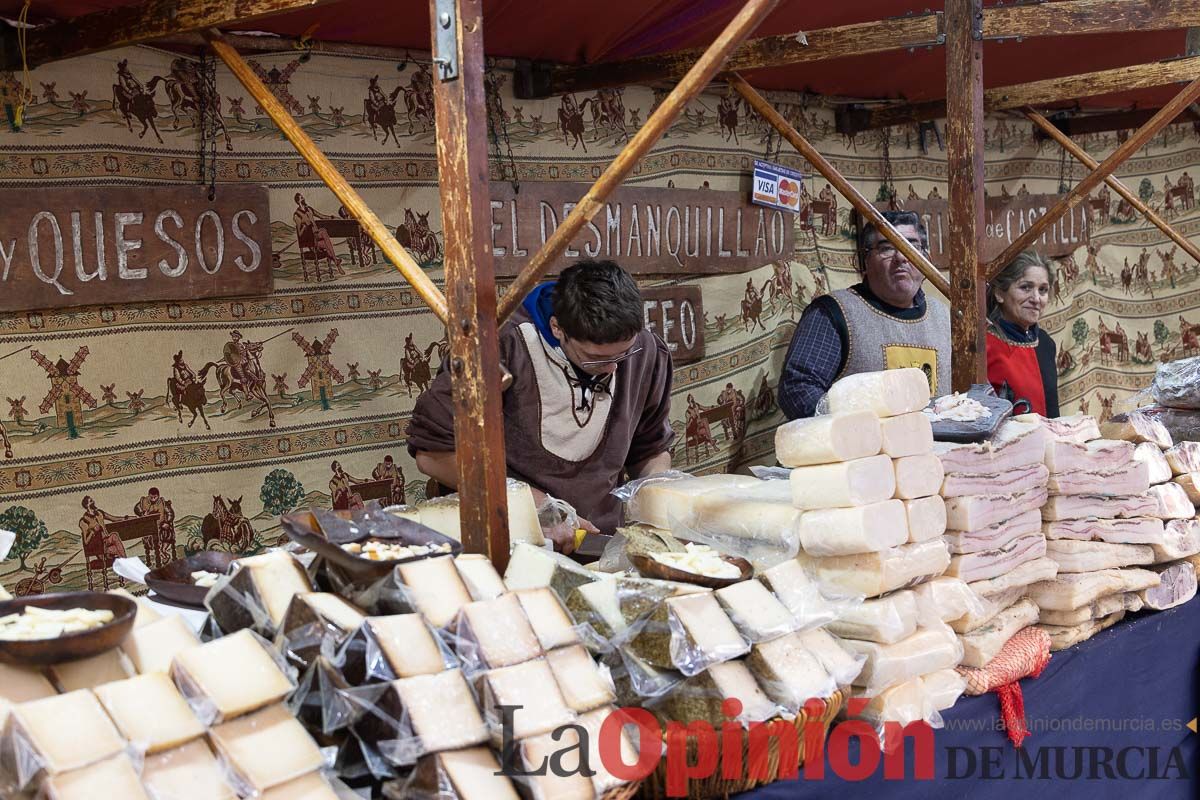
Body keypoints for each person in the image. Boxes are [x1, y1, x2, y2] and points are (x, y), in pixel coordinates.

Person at [408, 260, 674, 551]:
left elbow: (649, 449)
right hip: (510, 540)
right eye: (595, 358)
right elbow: (433, 455)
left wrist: (654, 513)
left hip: (600, 542)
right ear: (557, 328)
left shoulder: (645, 351)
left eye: (623, 354)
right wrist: (538, 508)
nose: (612, 368)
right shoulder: (499, 347)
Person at [777, 210, 950, 419]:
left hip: (938, 447)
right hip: (864, 448)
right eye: (887, 248)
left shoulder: (945, 317)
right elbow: (797, 389)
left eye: (911, 247)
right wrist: (857, 428)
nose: (902, 257)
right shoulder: (834, 313)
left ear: (926, 259)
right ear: (864, 260)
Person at [985, 250, 1059, 417]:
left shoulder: (1045, 343)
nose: (1036, 298)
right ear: (999, 293)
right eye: (1025, 287)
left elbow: (1053, 415)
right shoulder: (983, 346)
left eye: (1043, 290)